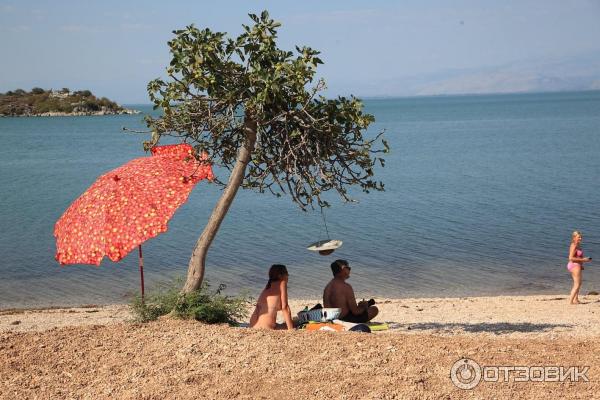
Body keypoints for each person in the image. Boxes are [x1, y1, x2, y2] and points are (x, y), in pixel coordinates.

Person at [249, 264, 294, 330]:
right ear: (280, 275)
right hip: (266, 327)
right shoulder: (282, 283)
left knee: (285, 324)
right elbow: (285, 307)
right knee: (296, 322)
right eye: (287, 273)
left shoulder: (268, 285)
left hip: (253, 325)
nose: (288, 276)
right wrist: (291, 329)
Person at [567, 230, 592, 305]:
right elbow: (570, 258)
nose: (580, 238)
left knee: (579, 283)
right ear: (574, 237)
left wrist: (581, 264)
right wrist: (584, 260)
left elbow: (577, 256)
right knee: (577, 284)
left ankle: (576, 299)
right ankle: (571, 301)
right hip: (574, 265)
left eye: (581, 237)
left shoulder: (577, 245)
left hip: (576, 265)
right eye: (579, 237)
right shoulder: (574, 245)